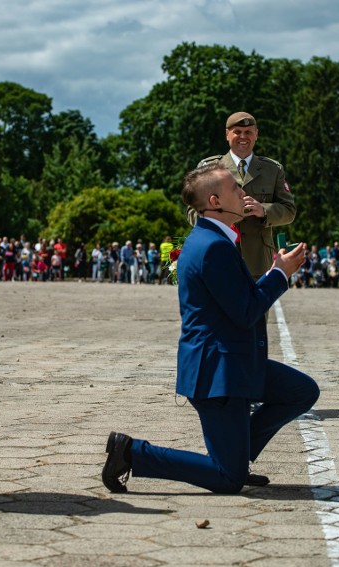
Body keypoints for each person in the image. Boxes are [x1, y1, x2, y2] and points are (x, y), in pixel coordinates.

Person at [101, 164, 319, 494]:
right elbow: (246, 311)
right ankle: (131, 453)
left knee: (300, 391)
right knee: (227, 479)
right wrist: (279, 274)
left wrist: (274, 273)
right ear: (215, 201)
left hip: (234, 363)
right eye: (236, 189)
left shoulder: (214, 239)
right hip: (218, 372)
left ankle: (237, 453)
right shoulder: (213, 246)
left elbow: (235, 301)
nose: (244, 193)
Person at [191, 112, 296, 280]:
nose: (243, 137)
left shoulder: (273, 170)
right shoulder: (209, 168)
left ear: (256, 134)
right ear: (227, 134)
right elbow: (192, 213)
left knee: (258, 307)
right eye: (237, 131)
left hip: (259, 262)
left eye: (248, 132)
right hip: (218, 256)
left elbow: (289, 211)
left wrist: (263, 210)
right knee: (221, 307)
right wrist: (221, 214)